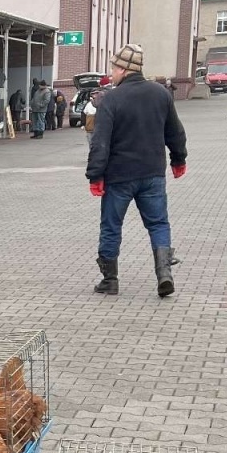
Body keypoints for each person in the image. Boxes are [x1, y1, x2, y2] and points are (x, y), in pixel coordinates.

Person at [85, 43, 186, 299]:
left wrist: (95, 175)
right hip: (152, 173)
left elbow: (100, 141)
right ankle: (164, 274)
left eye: (113, 68)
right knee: (158, 223)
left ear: (123, 69)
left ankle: (109, 280)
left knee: (111, 226)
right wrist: (178, 160)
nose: (111, 73)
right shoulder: (161, 94)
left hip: (119, 176)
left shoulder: (111, 99)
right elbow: (175, 132)